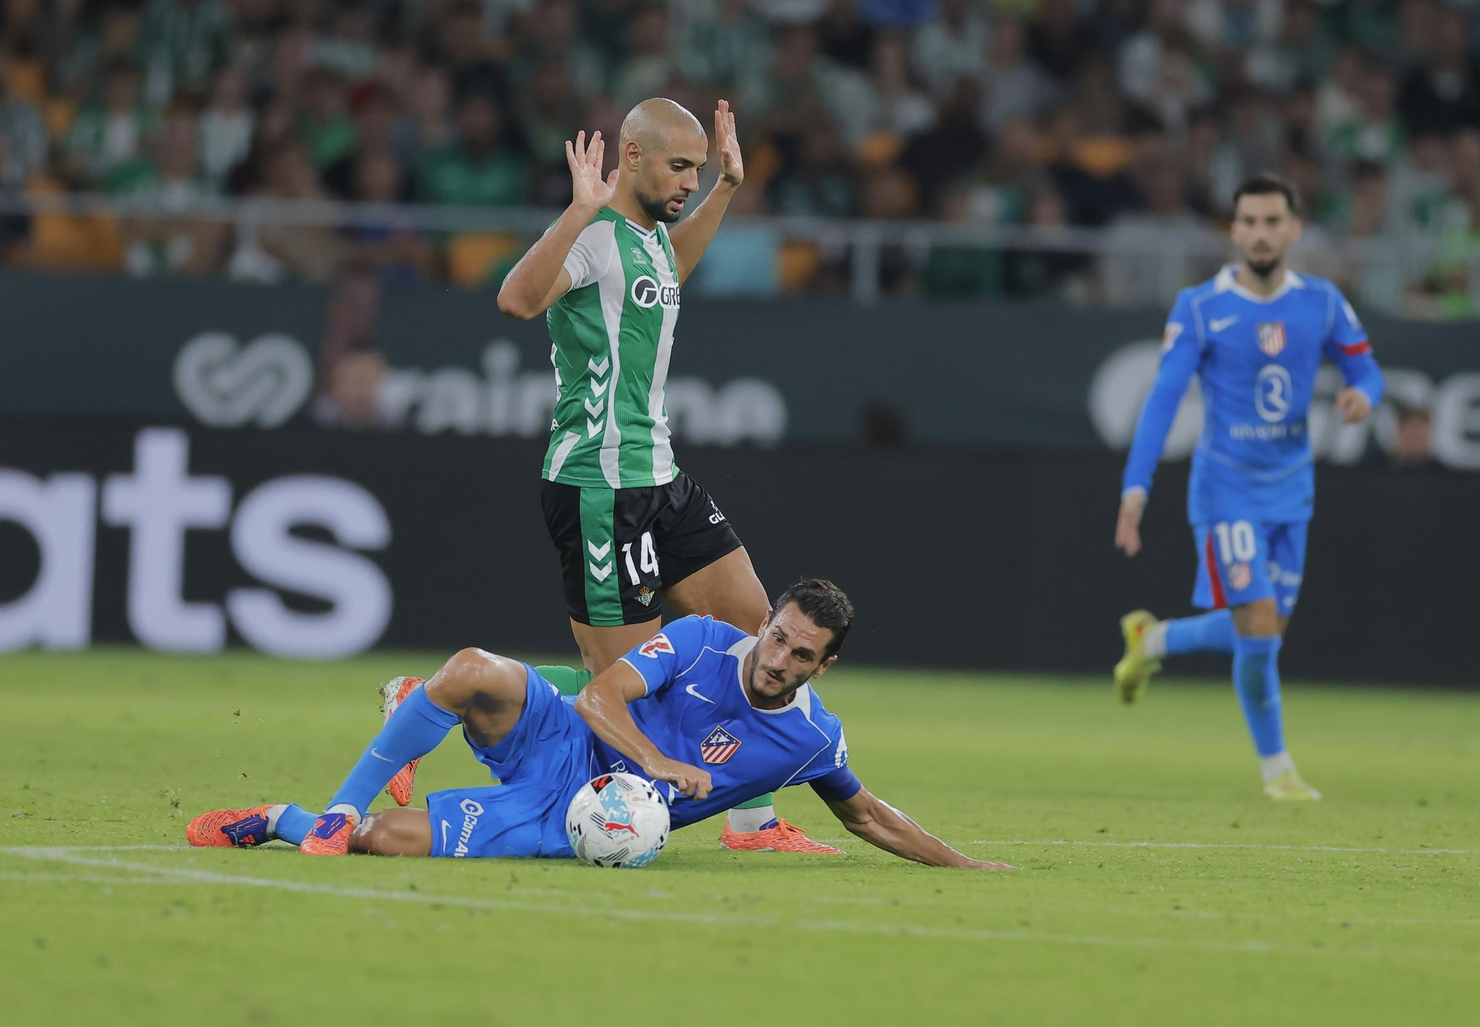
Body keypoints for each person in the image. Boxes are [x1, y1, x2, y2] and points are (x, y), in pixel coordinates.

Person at [488, 97, 828, 853]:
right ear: (632, 156)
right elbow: (515, 300)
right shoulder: (593, 235)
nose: (688, 181)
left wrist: (727, 189)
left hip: (662, 478)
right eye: (680, 167)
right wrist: (578, 209)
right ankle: (456, 688)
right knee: (624, 691)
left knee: (755, 636)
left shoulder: (650, 240)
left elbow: (669, 269)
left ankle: (753, 825)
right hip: (600, 488)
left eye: (697, 169)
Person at [185, 580, 1011, 871]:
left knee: (384, 841)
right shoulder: (702, 641)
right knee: (471, 666)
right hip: (566, 738)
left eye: (801, 654)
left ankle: (282, 819)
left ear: (822, 667)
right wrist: (660, 760)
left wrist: (964, 863)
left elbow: (866, 815)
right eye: (778, 636)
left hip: (574, 817)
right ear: (765, 624)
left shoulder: (812, 739)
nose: (778, 657)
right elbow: (598, 696)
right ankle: (338, 803)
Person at [1110, 174, 1386, 802]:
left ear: (1293, 229)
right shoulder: (1201, 306)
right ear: (1234, 230)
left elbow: (1367, 370)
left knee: (1261, 631)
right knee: (1258, 630)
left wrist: (1363, 395)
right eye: (1250, 222)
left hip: (1292, 490)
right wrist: (1135, 488)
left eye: (1272, 222)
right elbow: (1164, 397)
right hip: (1226, 490)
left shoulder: (1322, 302)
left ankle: (1153, 639)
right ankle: (1277, 770)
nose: (1261, 233)